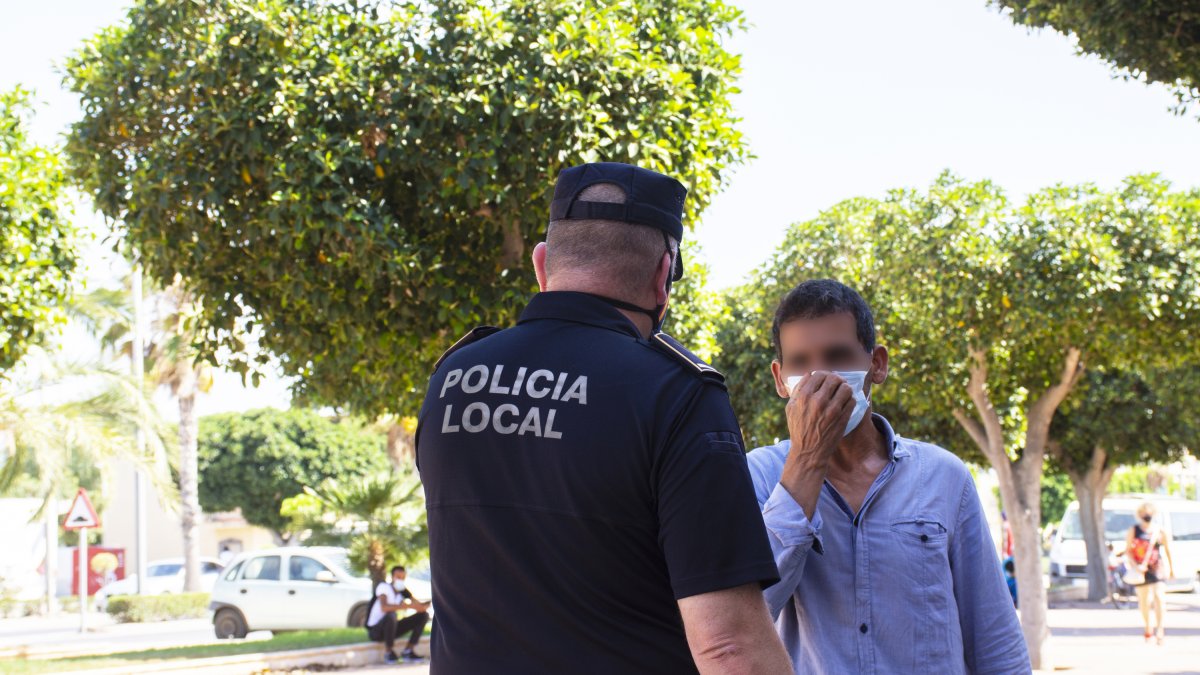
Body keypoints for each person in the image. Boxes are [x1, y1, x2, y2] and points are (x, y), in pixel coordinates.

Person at [416, 162, 790, 674]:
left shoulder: (453, 377)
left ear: (542, 264)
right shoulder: (677, 393)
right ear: (663, 278)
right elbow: (729, 647)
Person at [745, 279, 1030, 674]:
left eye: (837, 355)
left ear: (876, 364)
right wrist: (807, 459)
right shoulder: (756, 476)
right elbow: (749, 612)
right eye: (801, 363)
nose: (820, 378)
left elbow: (994, 636)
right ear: (780, 379)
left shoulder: (944, 476)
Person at [1126, 501, 1175, 644]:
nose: (1146, 515)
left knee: (1160, 598)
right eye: (1143, 513)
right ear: (1139, 515)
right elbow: (1128, 550)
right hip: (1140, 570)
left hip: (1157, 568)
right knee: (1144, 602)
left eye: (1149, 513)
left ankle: (1160, 629)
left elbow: (1168, 550)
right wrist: (1136, 566)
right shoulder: (1134, 530)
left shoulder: (1160, 531)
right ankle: (1148, 627)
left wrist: (1172, 569)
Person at [366, 565, 430, 663]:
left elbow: (418, 606)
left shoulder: (401, 593)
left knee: (423, 616)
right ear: (392, 577)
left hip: (391, 630)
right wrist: (407, 606)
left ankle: (408, 651)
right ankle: (388, 653)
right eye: (398, 577)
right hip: (376, 631)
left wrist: (426, 604)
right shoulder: (384, 587)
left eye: (403, 578)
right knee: (391, 615)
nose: (400, 580)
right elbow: (384, 607)